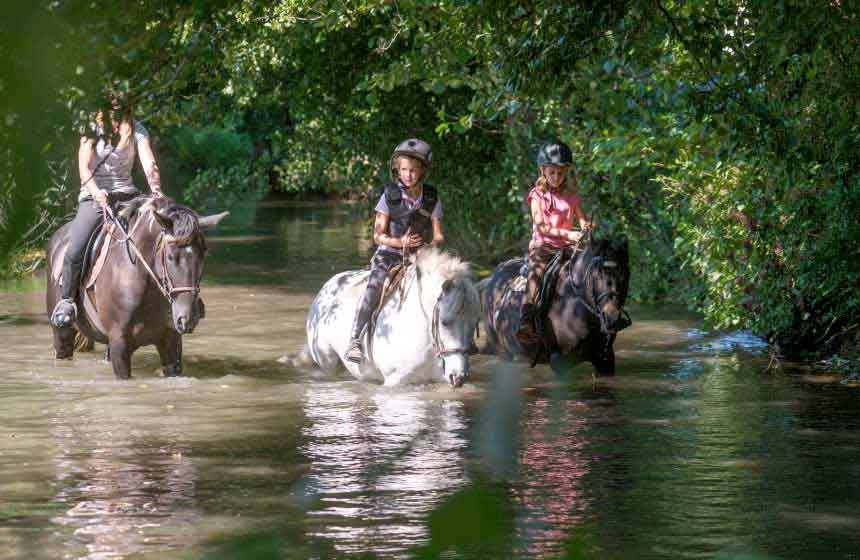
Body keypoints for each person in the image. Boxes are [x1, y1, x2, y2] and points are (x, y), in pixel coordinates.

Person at [49, 95, 164, 328]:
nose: (117, 106)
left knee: (160, 235)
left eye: (121, 102)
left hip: (128, 195)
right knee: (76, 247)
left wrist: (156, 190)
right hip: (94, 197)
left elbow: (148, 163)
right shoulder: (91, 130)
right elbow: (84, 168)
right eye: (112, 101)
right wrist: (96, 191)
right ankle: (67, 301)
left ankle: (169, 297)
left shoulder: (137, 130)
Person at [344, 138, 444, 363]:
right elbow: (378, 235)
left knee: (447, 284)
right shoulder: (388, 196)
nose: (408, 175)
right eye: (404, 170)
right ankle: (355, 340)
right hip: (388, 254)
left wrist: (428, 246)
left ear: (422, 171)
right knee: (375, 285)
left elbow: (439, 235)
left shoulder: (431, 198)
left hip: (419, 255)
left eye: (413, 171)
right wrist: (401, 243)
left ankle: (453, 340)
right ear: (397, 170)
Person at [517, 140, 591, 344]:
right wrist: (569, 234)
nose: (556, 177)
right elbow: (541, 227)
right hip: (544, 247)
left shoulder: (572, 196)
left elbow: (582, 218)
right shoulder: (537, 196)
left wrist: (585, 227)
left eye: (561, 173)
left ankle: (599, 313)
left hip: (568, 248)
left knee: (592, 269)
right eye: (552, 173)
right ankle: (526, 321)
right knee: (536, 276)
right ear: (543, 171)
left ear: (566, 172)